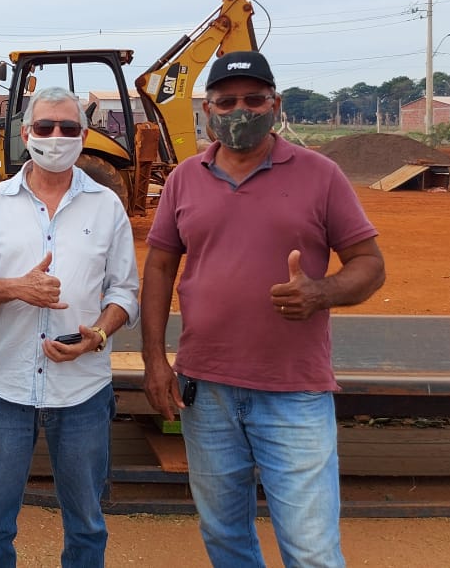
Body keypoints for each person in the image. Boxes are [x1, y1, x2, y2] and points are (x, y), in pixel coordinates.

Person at [140, 50, 386, 567]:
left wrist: (322, 292)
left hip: (294, 393)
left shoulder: (320, 175)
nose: (239, 111)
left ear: (276, 104)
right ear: (207, 111)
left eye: (254, 99)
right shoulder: (185, 178)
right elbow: (160, 268)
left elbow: (369, 263)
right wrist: (155, 361)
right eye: (226, 102)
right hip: (205, 393)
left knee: (312, 549)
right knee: (225, 536)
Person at [0, 86, 140, 568]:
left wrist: (96, 335)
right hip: (5, 390)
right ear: (25, 133)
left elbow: (124, 292)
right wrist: (17, 288)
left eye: (68, 128)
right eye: (45, 127)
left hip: (82, 394)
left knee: (86, 522)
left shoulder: (106, 206)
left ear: (83, 135)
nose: (56, 137)